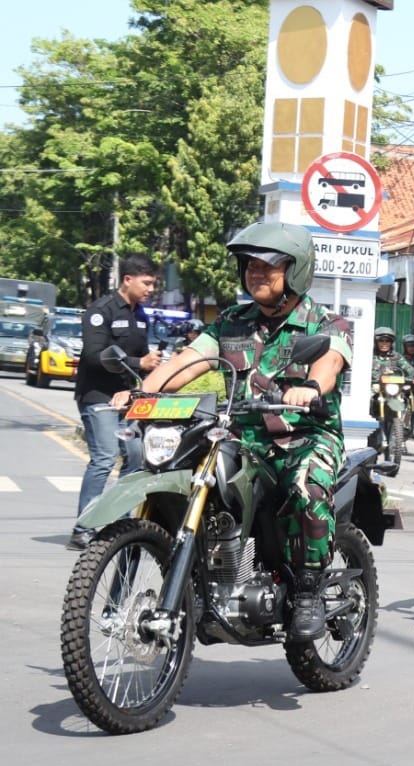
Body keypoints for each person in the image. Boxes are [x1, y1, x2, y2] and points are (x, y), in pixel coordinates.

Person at [116, 221, 353, 640]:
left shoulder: (326, 322)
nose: (256, 274)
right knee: (192, 476)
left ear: (295, 270)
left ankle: (308, 593)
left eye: (269, 266)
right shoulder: (231, 323)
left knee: (306, 486)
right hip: (242, 438)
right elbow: (188, 361)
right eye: (250, 266)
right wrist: (141, 392)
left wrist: (311, 387)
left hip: (306, 437)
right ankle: (207, 582)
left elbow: (329, 362)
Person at [69, 253, 163, 551]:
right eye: (146, 283)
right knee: (105, 457)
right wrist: (140, 361)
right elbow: (95, 356)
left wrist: (153, 368)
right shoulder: (101, 311)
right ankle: (83, 527)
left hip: (128, 398)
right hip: (98, 397)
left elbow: (143, 356)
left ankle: (121, 525)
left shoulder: (140, 315)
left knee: (136, 457)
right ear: (128, 279)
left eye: (153, 284)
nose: (150, 289)